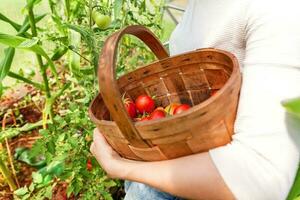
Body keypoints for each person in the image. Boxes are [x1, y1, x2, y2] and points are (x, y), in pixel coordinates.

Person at [90, 0, 300, 199]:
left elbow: (259, 177)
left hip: (194, 186)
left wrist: (122, 168)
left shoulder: (276, 9)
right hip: (161, 168)